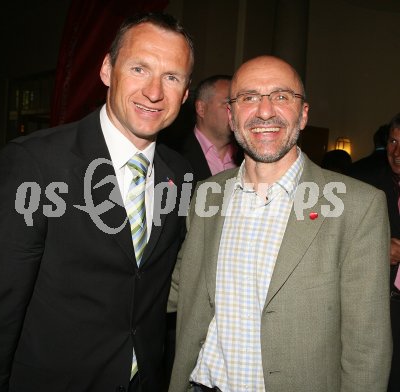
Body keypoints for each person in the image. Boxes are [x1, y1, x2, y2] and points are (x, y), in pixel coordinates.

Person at [0, 12, 194, 392]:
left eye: (172, 77)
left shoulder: (180, 174)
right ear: (106, 69)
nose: (154, 92)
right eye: (139, 68)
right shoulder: (35, 163)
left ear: (184, 94)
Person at [168, 55, 392, 392]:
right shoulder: (207, 195)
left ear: (303, 114)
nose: (265, 111)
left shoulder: (357, 206)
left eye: (281, 96)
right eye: (249, 98)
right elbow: (177, 288)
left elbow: (367, 347)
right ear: (231, 116)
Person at [349, 112, 400, 391]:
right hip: (380, 306)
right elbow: (340, 238)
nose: (396, 152)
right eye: (393, 141)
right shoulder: (365, 182)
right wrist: (379, 246)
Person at [175, 75, 241, 181]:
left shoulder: (249, 156)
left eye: (239, 104)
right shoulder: (174, 156)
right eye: (228, 104)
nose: (236, 111)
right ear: (201, 108)